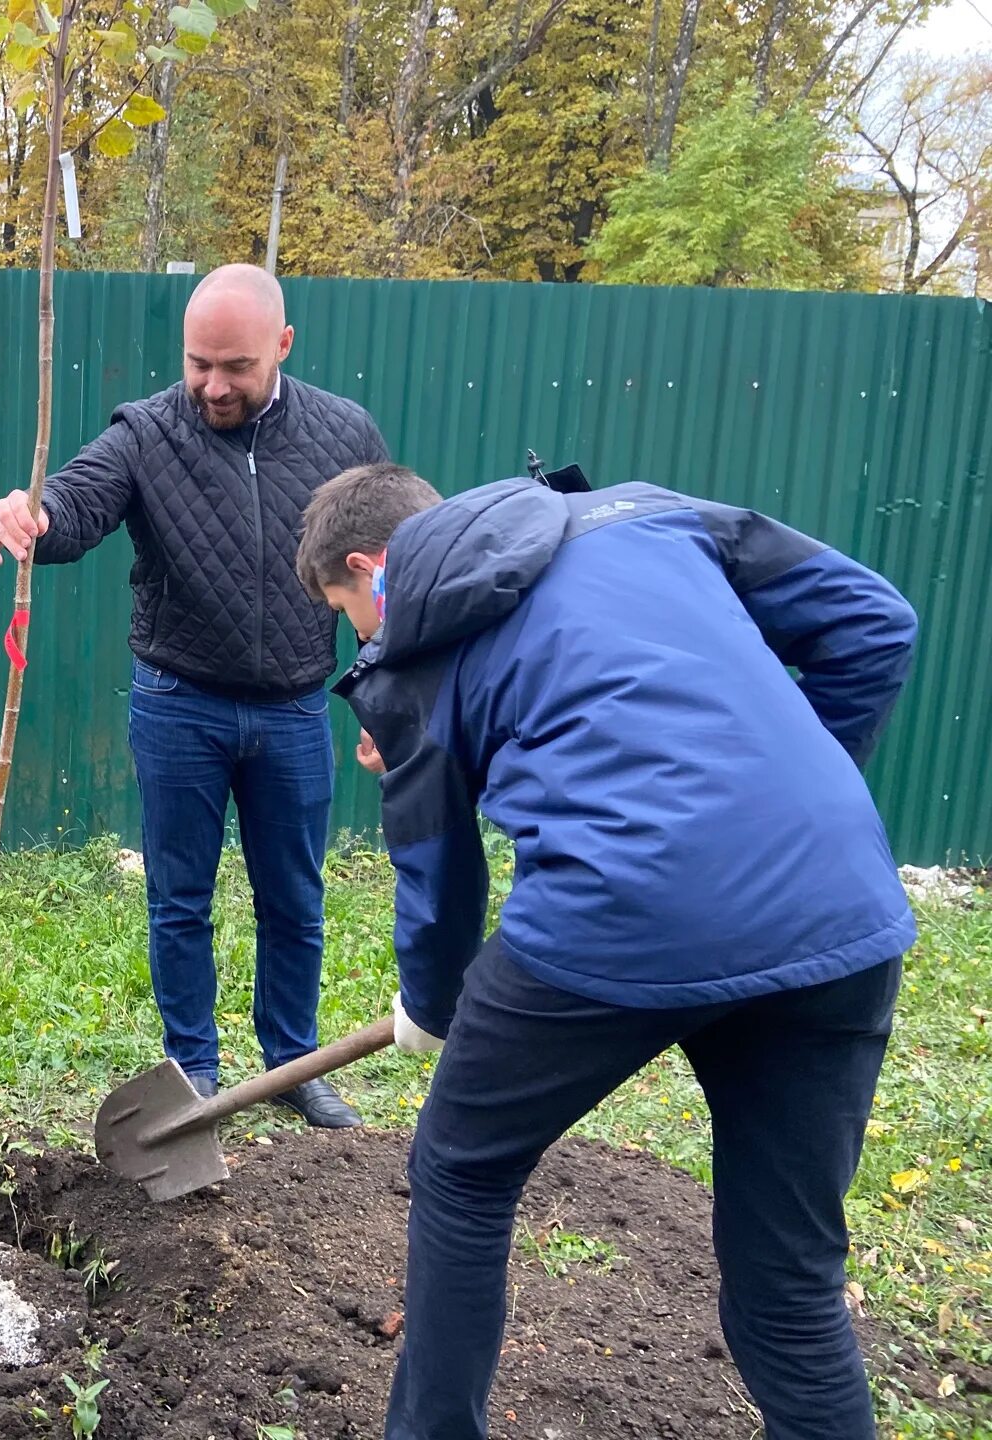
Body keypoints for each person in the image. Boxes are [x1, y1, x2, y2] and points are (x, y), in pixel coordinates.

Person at [296, 462, 918, 1440]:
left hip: (619, 912)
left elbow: (438, 874)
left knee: (461, 1171)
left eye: (348, 612)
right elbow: (878, 622)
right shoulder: (646, 516)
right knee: (791, 1283)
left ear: (373, 570)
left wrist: (431, 1006)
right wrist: (775, 821)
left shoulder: (410, 647)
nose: (361, 635)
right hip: (837, 918)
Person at [0, 263, 390, 1127]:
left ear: (281, 346)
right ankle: (194, 1070)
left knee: (295, 894)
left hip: (291, 708)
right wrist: (33, 514)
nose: (212, 384)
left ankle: (292, 1065)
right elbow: (79, 502)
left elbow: (378, 571)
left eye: (236, 366)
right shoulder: (147, 432)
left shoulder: (344, 434)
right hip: (180, 705)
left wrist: (386, 699)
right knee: (180, 898)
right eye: (198, 363)